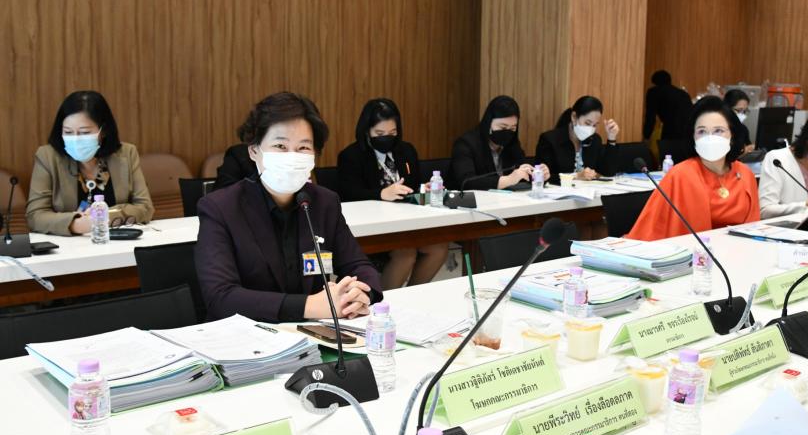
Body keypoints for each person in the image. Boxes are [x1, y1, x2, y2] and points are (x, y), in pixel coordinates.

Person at [194, 92, 382, 322]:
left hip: (313, 333)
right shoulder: (220, 208)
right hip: (247, 335)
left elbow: (359, 265)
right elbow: (220, 297)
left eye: (303, 148)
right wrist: (309, 306)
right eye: (280, 146)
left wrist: (361, 295)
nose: (292, 156)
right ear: (254, 151)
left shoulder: (324, 202)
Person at [337, 99, 449, 289]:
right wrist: (381, 193)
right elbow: (348, 194)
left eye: (392, 133)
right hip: (374, 226)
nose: (386, 138)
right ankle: (384, 300)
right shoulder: (351, 155)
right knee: (406, 254)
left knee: (438, 248)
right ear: (367, 130)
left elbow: (413, 185)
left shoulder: (406, 151)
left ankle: (411, 295)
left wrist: (425, 187)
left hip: (407, 222)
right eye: (379, 134)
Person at [627, 96, 760, 241]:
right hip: (696, 251)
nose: (710, 138)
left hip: (740, 249)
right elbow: (649, 231)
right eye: (702, 132)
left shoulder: (745, 174)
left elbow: (753, 228)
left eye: (718, 131)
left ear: (732, 136)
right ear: (693, 137)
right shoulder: (679, 175)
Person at [26, 91, 154, 235]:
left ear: (103, 131)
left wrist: (103, 217)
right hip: (70, 245)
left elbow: (145, 207)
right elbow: (35, 216)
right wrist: (75, 224)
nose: (76, 139)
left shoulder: (127, 153)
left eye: (85, 132)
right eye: (68, 132)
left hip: (118, 241)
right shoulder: (47, 156)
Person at [449, 95, 549, 190]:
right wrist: (508, 180)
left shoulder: (512, 144)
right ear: (488, 123)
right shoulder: (466, 144)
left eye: (512, 128)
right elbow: (466, 182)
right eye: (503, 127)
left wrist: (537, 176)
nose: (507, 132)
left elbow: (522, 173)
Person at [535, 96, 620, 183]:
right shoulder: (549, 140)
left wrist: (611, 138)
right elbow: (542, 176)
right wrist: (575, 176)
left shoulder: (595, 140)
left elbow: (608, 172)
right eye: (587, 123)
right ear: (574, 117)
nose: (591, 129)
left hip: (589, 190)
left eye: (595, 125)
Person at [642, 69, 694, 141]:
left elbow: (650, 116)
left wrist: (646, 136)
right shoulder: (682, 93)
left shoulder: (654, 92)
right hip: (688, 132)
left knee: (667, 148)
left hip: (671, 131)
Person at [723, 89, 753, 155]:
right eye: (739, 110)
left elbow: (748, 146)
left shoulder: (743, 128)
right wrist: (744, 151)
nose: (742, 114)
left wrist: (751, 148)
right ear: (727, 108)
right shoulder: (719, 130)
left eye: (745, 111)